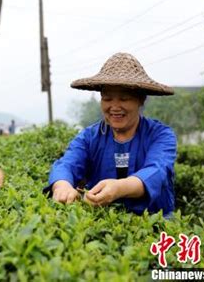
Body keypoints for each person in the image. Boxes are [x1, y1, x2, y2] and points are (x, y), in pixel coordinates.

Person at [45, 53, 176, 217]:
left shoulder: (160, 135)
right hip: (103, 222)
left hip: (156, 222)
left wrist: (119, 188)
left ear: (141, 100)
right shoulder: (89, 137)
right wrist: (62, 185)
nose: (114, 107)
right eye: (107, 99)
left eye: (124, 99)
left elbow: (157, 170)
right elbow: (67, 164)